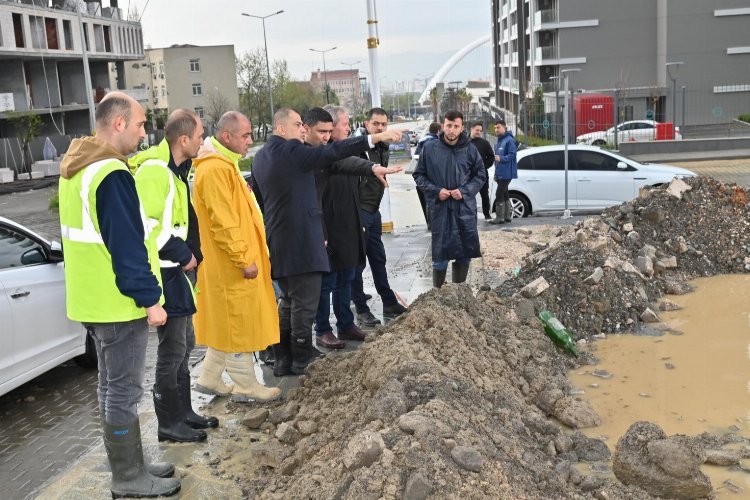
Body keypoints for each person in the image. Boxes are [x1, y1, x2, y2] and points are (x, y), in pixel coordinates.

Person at [58, 92, 180, 498]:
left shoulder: (79, 168)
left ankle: (132, 466)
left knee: (111, 389)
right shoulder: (109, 173)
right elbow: (126, 246)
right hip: (117, 302)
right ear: (119, 123)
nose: (147, 132)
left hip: (93, 299)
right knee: (124, 391)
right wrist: (150, 300)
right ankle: (128, 478)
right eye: (143, 123)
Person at [252, 108, 401, 376]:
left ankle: (284, 359)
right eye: (297, 124)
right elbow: (332, 153)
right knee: (305, 303)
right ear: (281, 128)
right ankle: (301, 357)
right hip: (301, 240)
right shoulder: (291, 152)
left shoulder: (262, 156)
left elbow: (264, 201)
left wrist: (371, 167)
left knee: (288, 300)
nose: (301, 129)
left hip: (279, 237)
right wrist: (373, 139)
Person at [130, 109, 216, 444]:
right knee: (173, 349)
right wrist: (183, 253)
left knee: (185, 345)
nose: (202, 140)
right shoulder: (156, 171)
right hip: (167, 273)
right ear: (184, 139)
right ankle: (169, 423)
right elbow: (149, 224)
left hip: (178, 273)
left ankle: (184, 413)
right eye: (200, 135)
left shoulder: (176, 170)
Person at [191, 111, 281, 403]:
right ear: (226, 137)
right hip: (232, 264)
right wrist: (244, 259)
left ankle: (209, 377)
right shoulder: (216, 169)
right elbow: (224, 222)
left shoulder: (222, 166)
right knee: (239, 322)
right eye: (245, 135)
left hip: (228, 262)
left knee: (227, 322)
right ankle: (245, 385)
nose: (250, 141)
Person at [313, 105, 403, 349]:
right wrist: (372, 166)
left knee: (348, 274)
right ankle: (322, 329)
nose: (347, 127)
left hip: (350, 223)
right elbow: (346, 162)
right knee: (328, 280)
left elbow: (352, 161)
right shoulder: (324, 154)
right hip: (330, 227)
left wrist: (373, 168)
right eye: (344, 124)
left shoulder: (341, 153)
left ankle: (346, 324)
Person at [413, 110, 486, 288]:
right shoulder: (430, 149)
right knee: (440, 256)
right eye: (448, 126)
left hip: (464, 210)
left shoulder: (470, 149)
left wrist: (465, 191)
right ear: (443, 125)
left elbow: (480, 176)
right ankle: (438, 296)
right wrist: (436, 191)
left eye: (456, 126)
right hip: (440, 209)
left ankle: (458, 295)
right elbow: (419, 175)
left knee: (464, 253)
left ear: (462, 128)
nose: (451, 130)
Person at [351, 108, 408, 327]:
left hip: (374, 211)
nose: (381, 128)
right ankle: (361, 309)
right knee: (357, 262)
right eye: (376, 124)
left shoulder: (384, 146)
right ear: (366, 124)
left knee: (378, 257)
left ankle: (388, 301)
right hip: (359, 210)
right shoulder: (358, 145)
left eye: (384, 124)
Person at [489, 118, 518, 225]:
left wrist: (500, 158)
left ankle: (499, 218)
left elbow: (512, 155)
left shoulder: (509, 140)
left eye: (498, 127)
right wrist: (496, 174)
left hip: (507, 172)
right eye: (495, 128)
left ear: (505, 127)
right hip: (501, 173)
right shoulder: (500, 140)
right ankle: (507, 217)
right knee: (505, 193)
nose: (496, 129)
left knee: (499, 193)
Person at [415, 122, 442, 226]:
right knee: (433, 200)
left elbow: (417, 155)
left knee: (427, 199)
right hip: (432, 174)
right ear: (438, 131)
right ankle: (433, 223)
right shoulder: (434, 141)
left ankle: (429, 223)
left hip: (423, 174)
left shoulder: (422, 140)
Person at [469, 121, 496, 220]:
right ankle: (472, 216)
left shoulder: (484, 143)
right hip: (468, 176)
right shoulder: (464, 142)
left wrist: (484, 167)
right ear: (471, 129)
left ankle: (487, 215)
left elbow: (491, 157)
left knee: (485, 195)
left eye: (480, 131)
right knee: (470, 196)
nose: (478, 132)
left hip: (482, 175)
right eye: (477, 130)